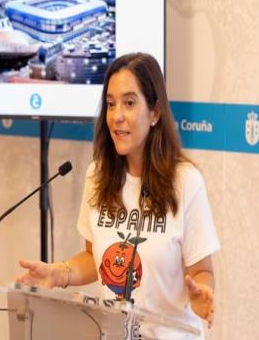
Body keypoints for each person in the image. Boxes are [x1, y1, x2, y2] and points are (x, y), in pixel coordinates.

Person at [16, 52, 220, 338]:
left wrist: (202, 294)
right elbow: (94, 258)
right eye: (111, 104)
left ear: (155, 113)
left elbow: (202, 271)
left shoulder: (185, 181)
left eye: (129, 103)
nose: (117, 116)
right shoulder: (98, 175)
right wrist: (58, 273)